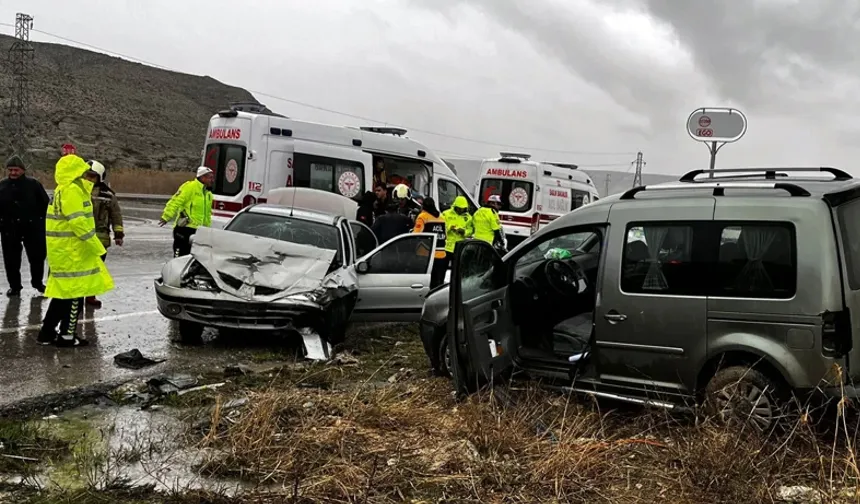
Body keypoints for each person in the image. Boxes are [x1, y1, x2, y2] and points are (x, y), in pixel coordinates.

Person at [38, 154, 114, 347]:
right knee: (74, 297)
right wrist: (96, 247)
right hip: (73, 252)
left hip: (64, 252)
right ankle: (67, 337)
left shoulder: (62, 190)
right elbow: (79, 224)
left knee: (62, 295)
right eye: (84, 173)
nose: (87, 177)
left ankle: (46, 333)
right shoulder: (72, 191)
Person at [0, 155, 48, 297]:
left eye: (16, 170)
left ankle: (38, 283)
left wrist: (40, 222)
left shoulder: (34, 185)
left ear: (23, 170)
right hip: (9, 230)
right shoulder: (2, 186)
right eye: (11, 170)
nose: (13, 173)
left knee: (37, 258)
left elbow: (46, 205)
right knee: (11, 260)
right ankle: (15, 287)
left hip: (32, 229)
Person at [83, 160, 124, 308]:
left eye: (92, 176)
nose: (88, 179)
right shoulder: (77, 191)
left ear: (100, 177)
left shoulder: (108, 195)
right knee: (80, 269)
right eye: (86, 176)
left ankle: (90, 295)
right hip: (80, 237)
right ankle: (76, 296)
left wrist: (118, 234)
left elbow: (116, 215)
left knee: (96, 269)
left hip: (100, 237)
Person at [159, 166, 214, 257]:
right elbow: (175, 201)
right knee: (180, 256)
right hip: (184, 229)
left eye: (212, 178)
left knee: (193, 259)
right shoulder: (189, 187)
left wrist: (207, 230)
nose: (212, 180)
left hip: (199, 231)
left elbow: (207, 214)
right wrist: (166, 216)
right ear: (202, 177)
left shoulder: (208, 194)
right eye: (210, 177)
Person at [413, 197, 447, 288]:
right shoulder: (442, 218)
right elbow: (445, 235)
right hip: (441, 255)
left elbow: (416, 235)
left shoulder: (423, 216)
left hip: (427, 255)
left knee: (425, 284)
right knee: (437, 284)